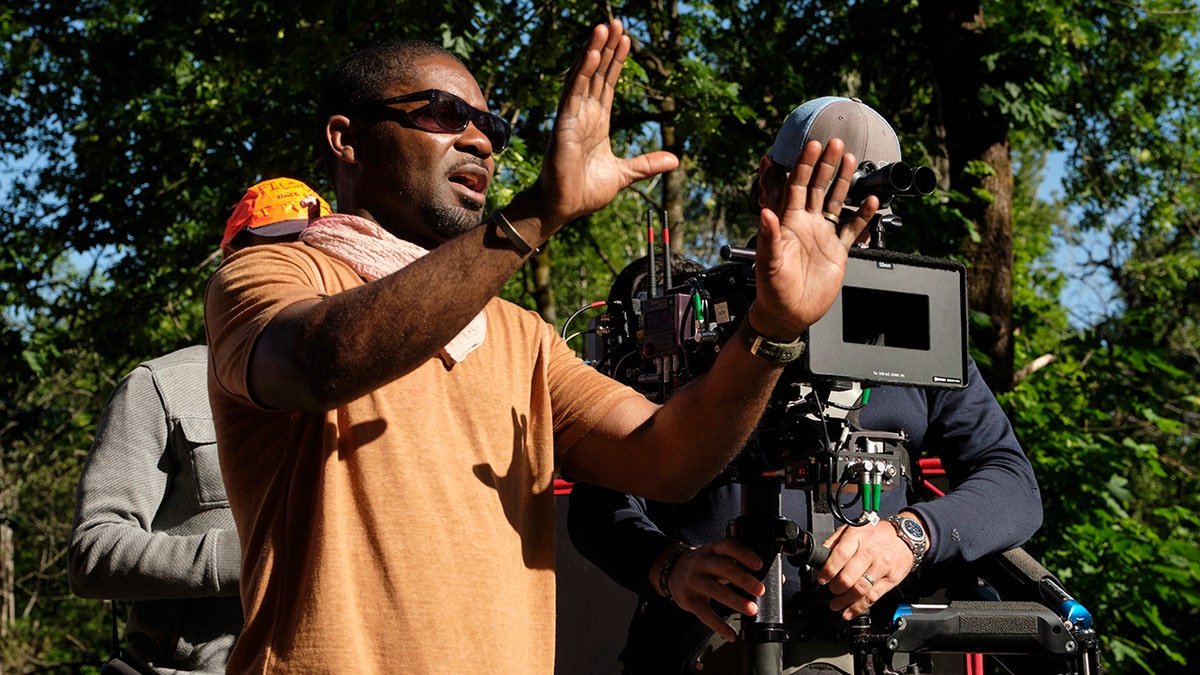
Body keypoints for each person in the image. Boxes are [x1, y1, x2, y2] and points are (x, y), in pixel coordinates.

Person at [203, 20, 883, 675]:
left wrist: (772, 326)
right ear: (346, 138)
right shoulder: (275, 275)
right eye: (444, 113)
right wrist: (536, 212)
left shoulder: (519, 336)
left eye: (491, 127)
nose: (480, 141)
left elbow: (670, 457)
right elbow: (321, 362)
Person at [567, 97, 1045, 674]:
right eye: (823, 193)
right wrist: (671, 566)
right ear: (768, 184)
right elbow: (598, 499)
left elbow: (1012, 482)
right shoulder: (686, 322)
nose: (850, 226)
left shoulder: (916, 327)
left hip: (871, 651)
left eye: (868, 208)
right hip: (702, 649)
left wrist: (912, 534)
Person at [68, 178, 330, 674]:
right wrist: (243, 556)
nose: (296, 266)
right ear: (233, 264)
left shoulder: (368, 393)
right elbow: (93, 553)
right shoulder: (162, 384)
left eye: (313, 251)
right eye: (276, 250)